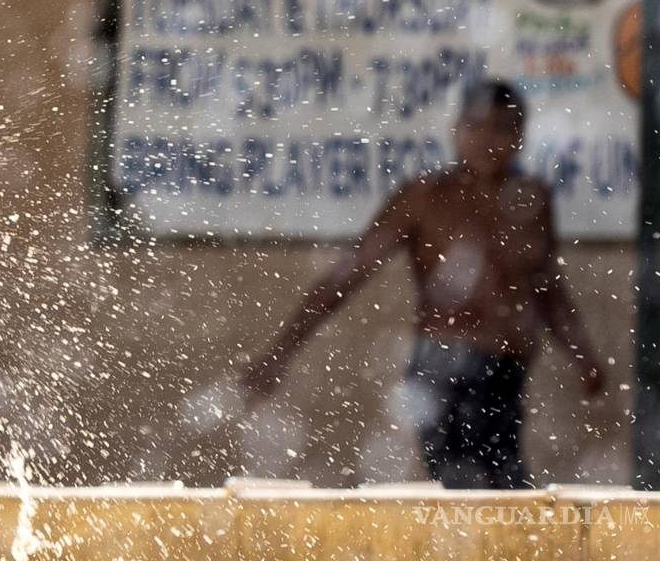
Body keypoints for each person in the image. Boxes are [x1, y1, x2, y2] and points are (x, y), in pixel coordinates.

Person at [241, 79, 605, 489]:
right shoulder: (425, 197)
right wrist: (280, 353)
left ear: (520, 136)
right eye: (476, 125)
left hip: (506, 370)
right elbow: (345, 277)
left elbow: (548, 287)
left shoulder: (532, 200)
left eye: (502, 128)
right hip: (441, 366)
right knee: (470, 492)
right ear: (456, 130)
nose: (488, 139)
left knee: (503, 495)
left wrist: (583, 353)